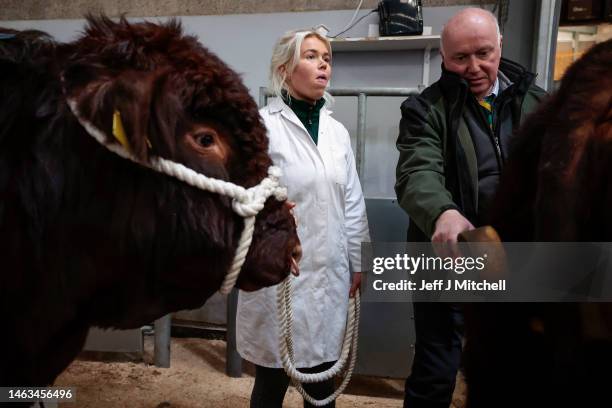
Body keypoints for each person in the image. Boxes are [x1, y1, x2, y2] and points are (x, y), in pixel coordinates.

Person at [394, 8, 546, 408]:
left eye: (483, 53)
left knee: (513, 364)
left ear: (500, 45)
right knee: (436, 366)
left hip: (515, 257)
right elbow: (416, 172)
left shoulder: (539, 103)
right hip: (446, 253)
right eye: (460, 58)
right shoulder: (424, 109)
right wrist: (441, 211)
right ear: (443, 58)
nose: (474, 67)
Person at [236, 28, 370, 408]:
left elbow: (353, 200)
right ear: (285, 68)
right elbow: (243, 194)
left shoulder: (337, 133)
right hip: (280, 272)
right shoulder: (262, 127)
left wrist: (359, 259)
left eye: (326, 57)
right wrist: (267, 211)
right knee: (273, 377)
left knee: (323, 379)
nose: (322, 63)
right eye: (311, 56)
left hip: (329, 270)